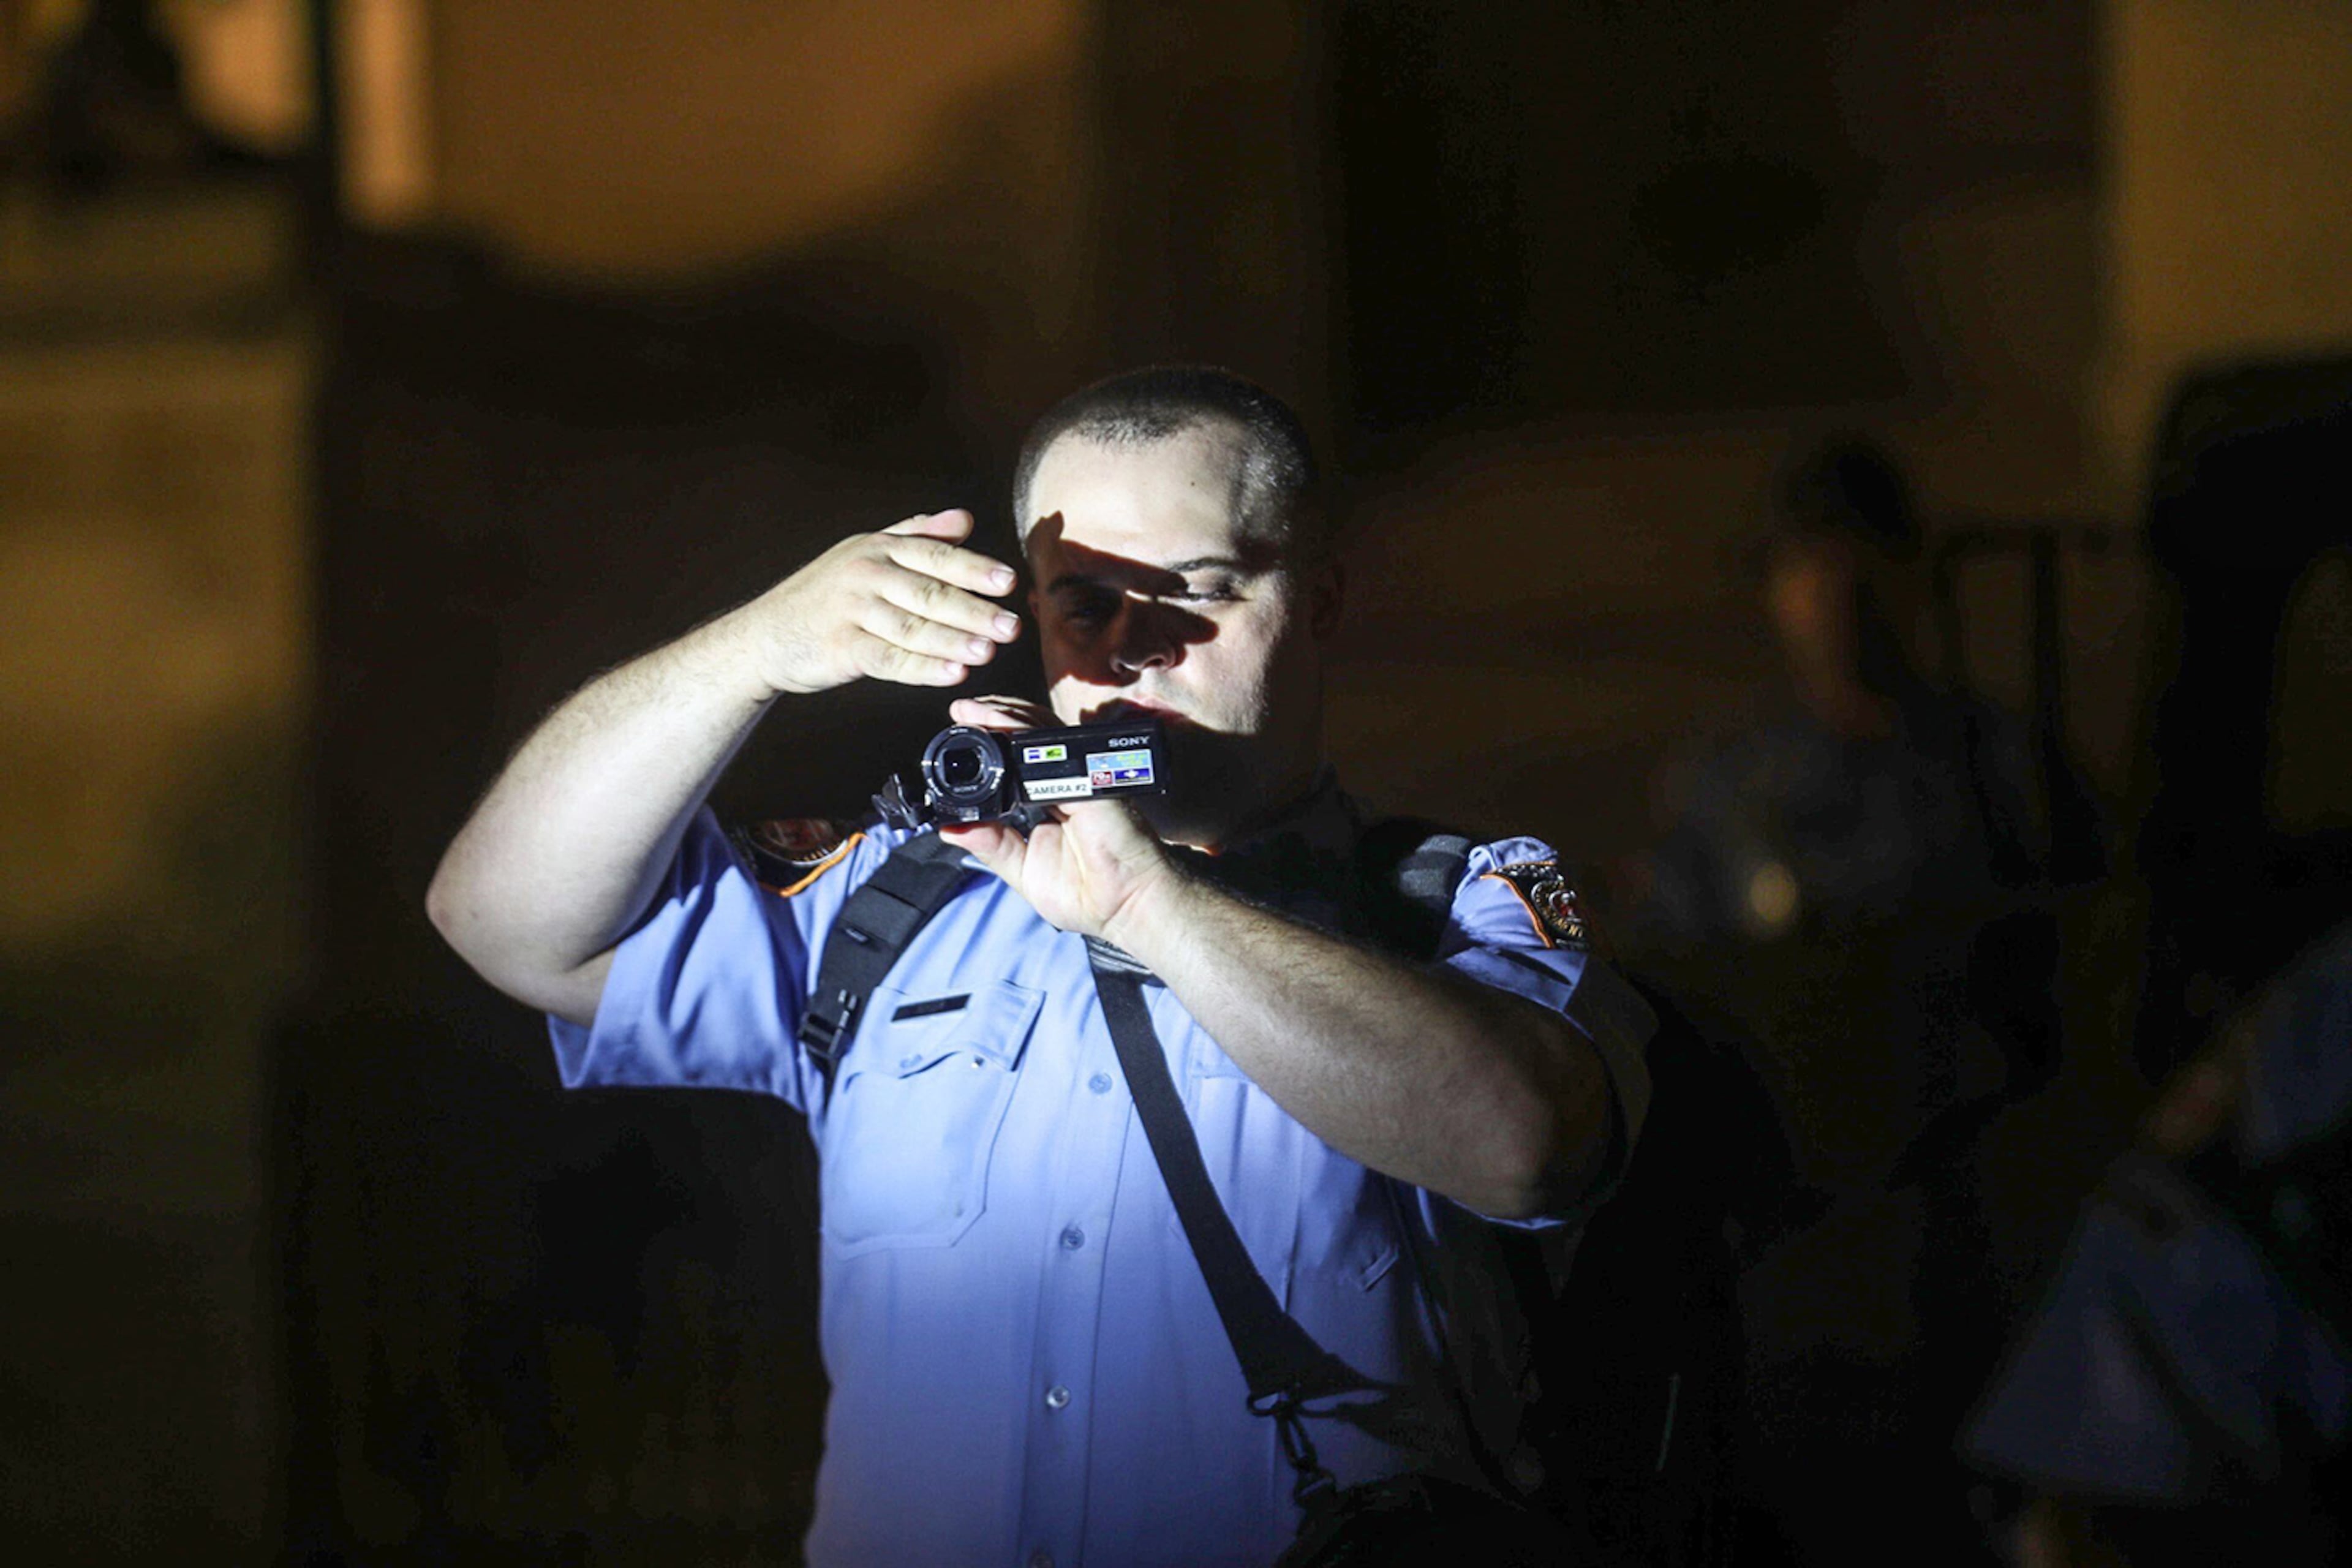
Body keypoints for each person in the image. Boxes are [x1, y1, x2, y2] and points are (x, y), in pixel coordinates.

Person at [425, 366, 1656, 1567]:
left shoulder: (1457, 895)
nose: (1133, 650)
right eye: (1087, 602)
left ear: (1322, 602)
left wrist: (1143, 902)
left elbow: (1525, 1143)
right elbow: (501, 917)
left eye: (1201, 591)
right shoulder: (899, 901)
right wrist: (752, 653)